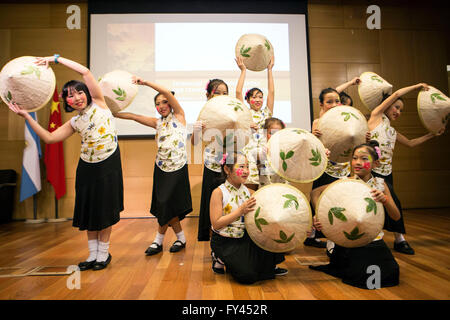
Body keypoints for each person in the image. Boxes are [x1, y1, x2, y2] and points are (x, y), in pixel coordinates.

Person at [8, 55, 123, 271]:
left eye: (80, 92)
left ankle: (103, 255)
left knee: (105, 210)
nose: (77, 97)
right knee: (90, 211)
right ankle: (91, 256)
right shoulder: (75, 121)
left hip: (109, 165)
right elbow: (50, 138)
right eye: (70, 96)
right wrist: (27, 116)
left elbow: (85, 72)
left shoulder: (100, 103)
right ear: (67, 102)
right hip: (87, 168)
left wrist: (55, 59)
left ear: (88, 93)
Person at [114, 76, 192, 255]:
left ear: (171, 104)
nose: (162, 105)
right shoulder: (157, 123)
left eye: (165, 102)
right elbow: (134, 116)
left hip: (177, 168)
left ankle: (158, 241)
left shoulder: (180, 117)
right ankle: (180, 238)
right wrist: (111, 112)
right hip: (161, 169)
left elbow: (165, 91)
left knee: (165, 203)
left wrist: (145, 83)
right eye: (158, 103)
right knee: (166, 205)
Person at [309, 140, 401, 289]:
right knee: (359, 274)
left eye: (364, 159)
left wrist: (385, 200)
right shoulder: (345, 182)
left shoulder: (379, 184)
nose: (357, 162)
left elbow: (396, 217)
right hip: (348, 239)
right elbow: (315, 192)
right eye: (354, 158)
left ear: (375, 164)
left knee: (390, 272)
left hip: (373, 238)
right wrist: (320, 215)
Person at [368, 83, 444, 255]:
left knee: (392, 204)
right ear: (387, 104)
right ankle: (389, 239)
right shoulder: (375, 117)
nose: (398, 112)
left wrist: (432, 134)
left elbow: (410, 143)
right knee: (373, 205)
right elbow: (396, 94)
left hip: (387, 173)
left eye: (401, 110)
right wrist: (417, 86)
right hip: (371, 172)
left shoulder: (392, 132)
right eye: (396, 107)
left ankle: (398, 239)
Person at [209, 151, 287, 284]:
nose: (246, 171)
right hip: (225, 240)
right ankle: (219, 257)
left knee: (265, 271)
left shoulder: (249, 192)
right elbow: (216, 224)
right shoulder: (218, 192)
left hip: (245, 236)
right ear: (227, 169)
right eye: (241, 167)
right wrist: (240, 211)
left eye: (247, 167)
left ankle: (266, 265)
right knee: (247, 276)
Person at [192, 79, 230, 241]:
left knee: (228, 199)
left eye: (225, 93)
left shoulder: (232, 112)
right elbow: (194, 142)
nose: (221, 96)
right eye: (217, 93)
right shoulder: (205, 115)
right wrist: (196, 130)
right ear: (208, 95)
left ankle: (227, 232)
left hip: (229, 164)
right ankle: (206, 234)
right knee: (209, 199)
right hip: (211, 163)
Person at [235, 56, 275, 190]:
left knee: (267, 182)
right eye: (254, 97)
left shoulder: (266, 113)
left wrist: (269, 70)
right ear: (248, 100)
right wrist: (243, 70)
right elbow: (238, 92)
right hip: (249, 149)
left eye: (260, 97)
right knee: (250, 183)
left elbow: (272, 92)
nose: (258, 100)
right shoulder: (245, 112)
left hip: (264, 149)